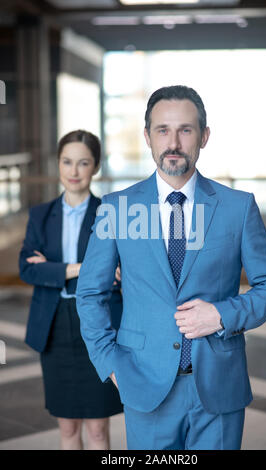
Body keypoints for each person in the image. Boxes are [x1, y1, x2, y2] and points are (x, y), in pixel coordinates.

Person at [76, 86, 266, 450]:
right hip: (143, 384)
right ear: (147, 137)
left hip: (218, 387)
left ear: (204, 137)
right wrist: (110, 363)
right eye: (162, 130)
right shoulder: (115, 209)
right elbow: (90, 293)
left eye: (185, 130)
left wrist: (223, 315)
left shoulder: (237, 208)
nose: (173, 142)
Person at [19, 130, 123, 450]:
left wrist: (53, 268)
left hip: (97, 324)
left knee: (97, 431)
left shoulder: (111, 212)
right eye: (67, 162)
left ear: (96, 167)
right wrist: (82, 268)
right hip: (54, 328)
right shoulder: (40, 215)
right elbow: (27, 268)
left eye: (83, 163)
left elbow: (122, 272)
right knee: (66, 431)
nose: (74, 171)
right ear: (58, 164)